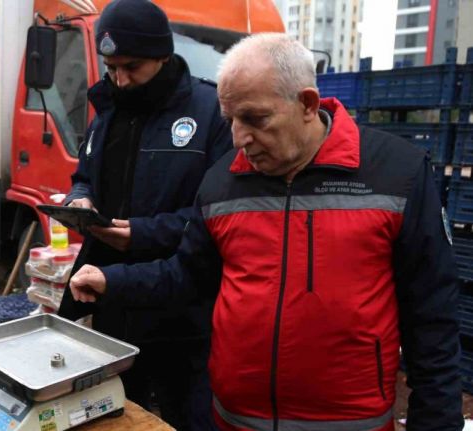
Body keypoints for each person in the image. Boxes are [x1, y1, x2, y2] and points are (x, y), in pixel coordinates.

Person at [68, 33, 463, 431]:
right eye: (230, 120)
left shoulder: (397, 175)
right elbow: (188, 276)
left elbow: (432, 320)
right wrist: (112, 279)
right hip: (236, 422)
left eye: (255, 119)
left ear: (307, 104)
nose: (239, 139)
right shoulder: (221, 182)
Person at [57, 0, 232, 429]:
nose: (120, 79)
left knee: (186, 416)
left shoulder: (212, 114)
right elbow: (84, 176)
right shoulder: (107, 116)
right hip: (115, 301)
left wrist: (142, 234)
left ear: (163, 55)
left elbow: (218, 217)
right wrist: (79, 200)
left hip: (184, 310)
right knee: (120, 416)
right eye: (111, 67)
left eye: (131, 67)